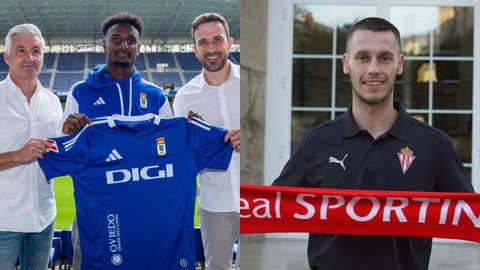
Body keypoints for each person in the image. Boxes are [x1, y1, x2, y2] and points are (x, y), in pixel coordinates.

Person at [272, 17, 474, 270]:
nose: (373, 68)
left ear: (399, 64)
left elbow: (471, 215)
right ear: (346, 63)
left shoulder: (434, 144)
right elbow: (273, 207)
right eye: (363, 57)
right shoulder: (317, 142)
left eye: (385, 58)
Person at [61, 12, 172, 269]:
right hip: (93, 210)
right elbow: (67, 151)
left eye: (130, 40)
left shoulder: (155, 96)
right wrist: (67, 133)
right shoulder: (80, 91)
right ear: (105, 44)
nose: (124, 45)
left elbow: (168, 150)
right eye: (117, 39)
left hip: (144, 211)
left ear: (139, 47)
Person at [173, 12, 240, 270]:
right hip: (215, 203)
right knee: (218, 267)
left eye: (217, 40)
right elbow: (178, 152)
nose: (211, 48)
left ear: (230, 42)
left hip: (256, 199)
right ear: (194, 49)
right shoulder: (185, 97)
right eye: (203, 42)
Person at [0, 24, 63, 270]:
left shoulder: (52, 102)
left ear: (43, 56)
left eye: (36, 51)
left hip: (43, 218)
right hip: (4, 220)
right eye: (21, 51)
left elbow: (59, 154)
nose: (30, 58)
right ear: (7, 56)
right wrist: (18, 155)